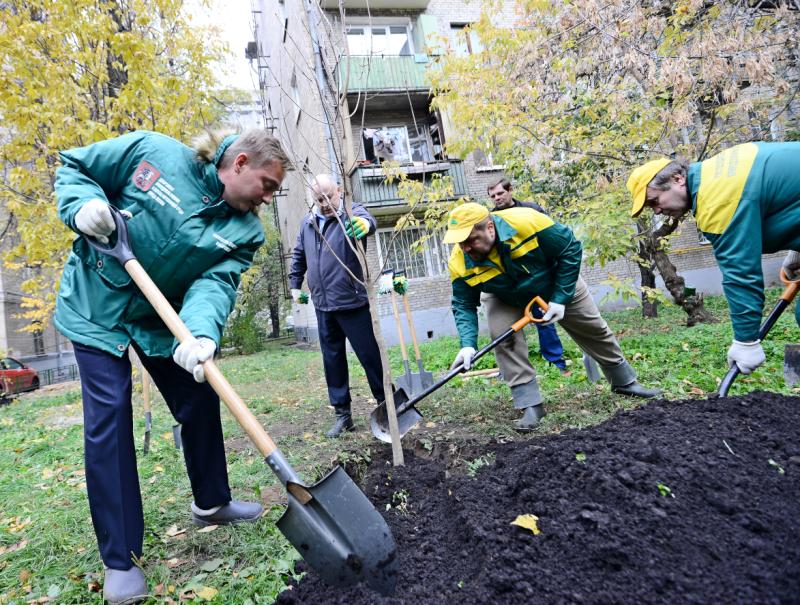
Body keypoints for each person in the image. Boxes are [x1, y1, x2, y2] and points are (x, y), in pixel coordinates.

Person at [54, 128, 291, 605]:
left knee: (200, 395)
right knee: (110, 418)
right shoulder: (153, 152)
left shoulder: (246, 231)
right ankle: (121, 559)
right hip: (95, 304)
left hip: (161, 317)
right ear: (240, 163)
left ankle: (211, 501)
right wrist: (82, 206)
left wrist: (202, 332)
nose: (270, 197)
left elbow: (216, 283)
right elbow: (75, 166)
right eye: (267, 184)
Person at [444, 202, 661, 431]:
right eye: (460, 242)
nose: (465, 248)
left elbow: (570, 248)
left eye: (470, 240)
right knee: (504, 338)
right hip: (505, 295)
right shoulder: (459, 261)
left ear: (490, 228)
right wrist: (467, 345)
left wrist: (560, 298)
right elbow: (463, 302)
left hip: (556, 280)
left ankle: (624, 381)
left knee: (592, 327)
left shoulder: (527, 222)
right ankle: (530, 405)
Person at [628, 141, 800, 375]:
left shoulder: (717, 199)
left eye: (655, 201)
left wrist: (746, 342)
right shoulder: (716, 173)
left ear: (678, 179)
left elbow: (741, 273)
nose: (656, 211)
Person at [289, 174, 386, 438]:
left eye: (328, 196)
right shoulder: (308, 223)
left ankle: (386, 405)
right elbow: (299, 254)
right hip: (323, 304)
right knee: (332, 361)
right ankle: (343, 415)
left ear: (339, 191)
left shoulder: (350, 211)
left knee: (369, 357)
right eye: (319, 199)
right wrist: (295, 285)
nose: (324, 203)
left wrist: (364, 225)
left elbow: (369, 220)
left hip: (351, 301)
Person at [487, 177, 570, 374]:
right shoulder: (490, 220)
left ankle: (555, 360)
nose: (497, 198)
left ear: (510, 190)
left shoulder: (532, 210)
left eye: (500, 193)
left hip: (539, 274)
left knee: (544, 318)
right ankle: (509, 369)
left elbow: (551, 236)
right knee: (506, 327)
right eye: (493, 196)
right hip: (512, 280)